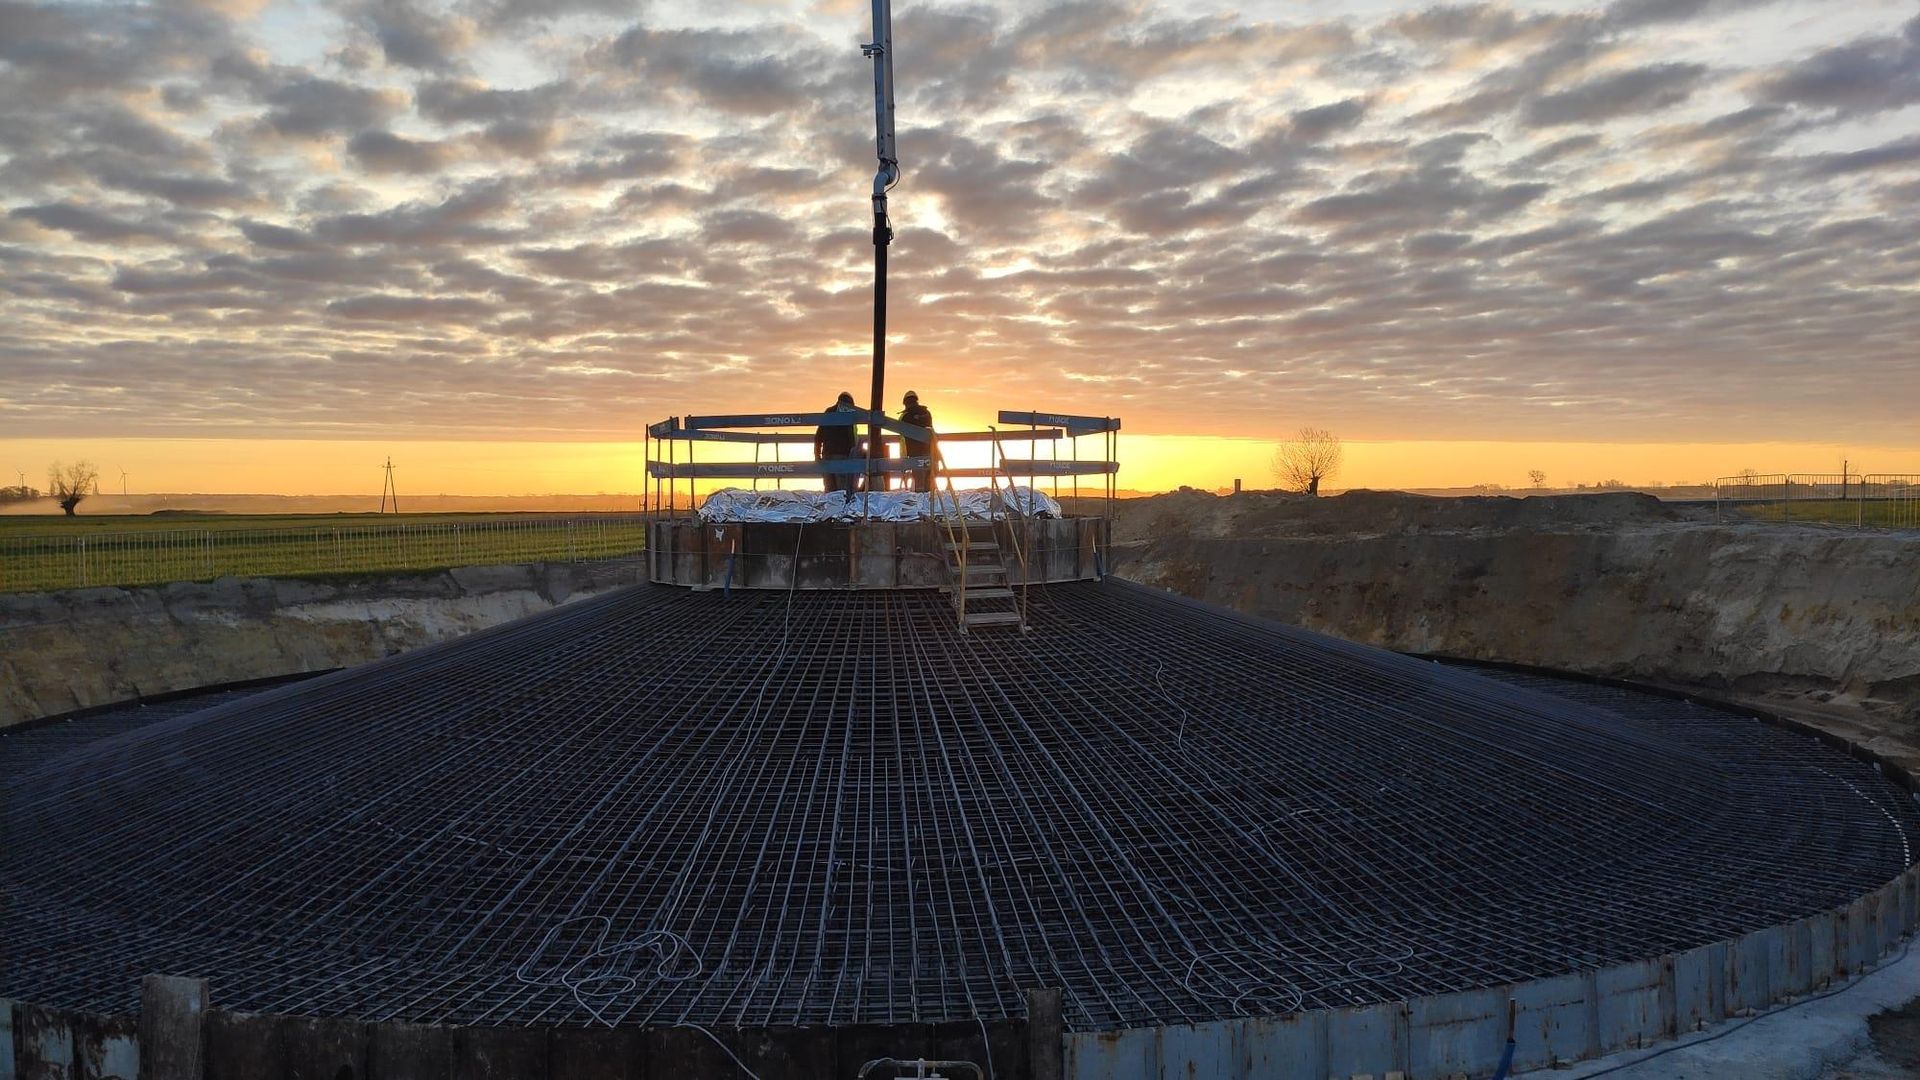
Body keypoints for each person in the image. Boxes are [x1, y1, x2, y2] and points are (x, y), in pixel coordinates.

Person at [813, 391, 858, 494]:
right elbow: (851, 437)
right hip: (842, 455)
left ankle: (831, 507)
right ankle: (842, 507)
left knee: (829, 486)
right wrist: (853, 454)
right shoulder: (848, 414)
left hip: (827, 455)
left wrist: (817, 454)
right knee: (842, 488)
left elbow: (819, 436)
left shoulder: (829, 412)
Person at [899, 391, 934, 492]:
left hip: (914, 452)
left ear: (905, 403)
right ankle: (929, 499)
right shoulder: (926, 414)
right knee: (928, 478)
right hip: (929, 450)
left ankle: (920, 497)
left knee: (918, 478)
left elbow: (901, 432)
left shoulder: (905, 417)